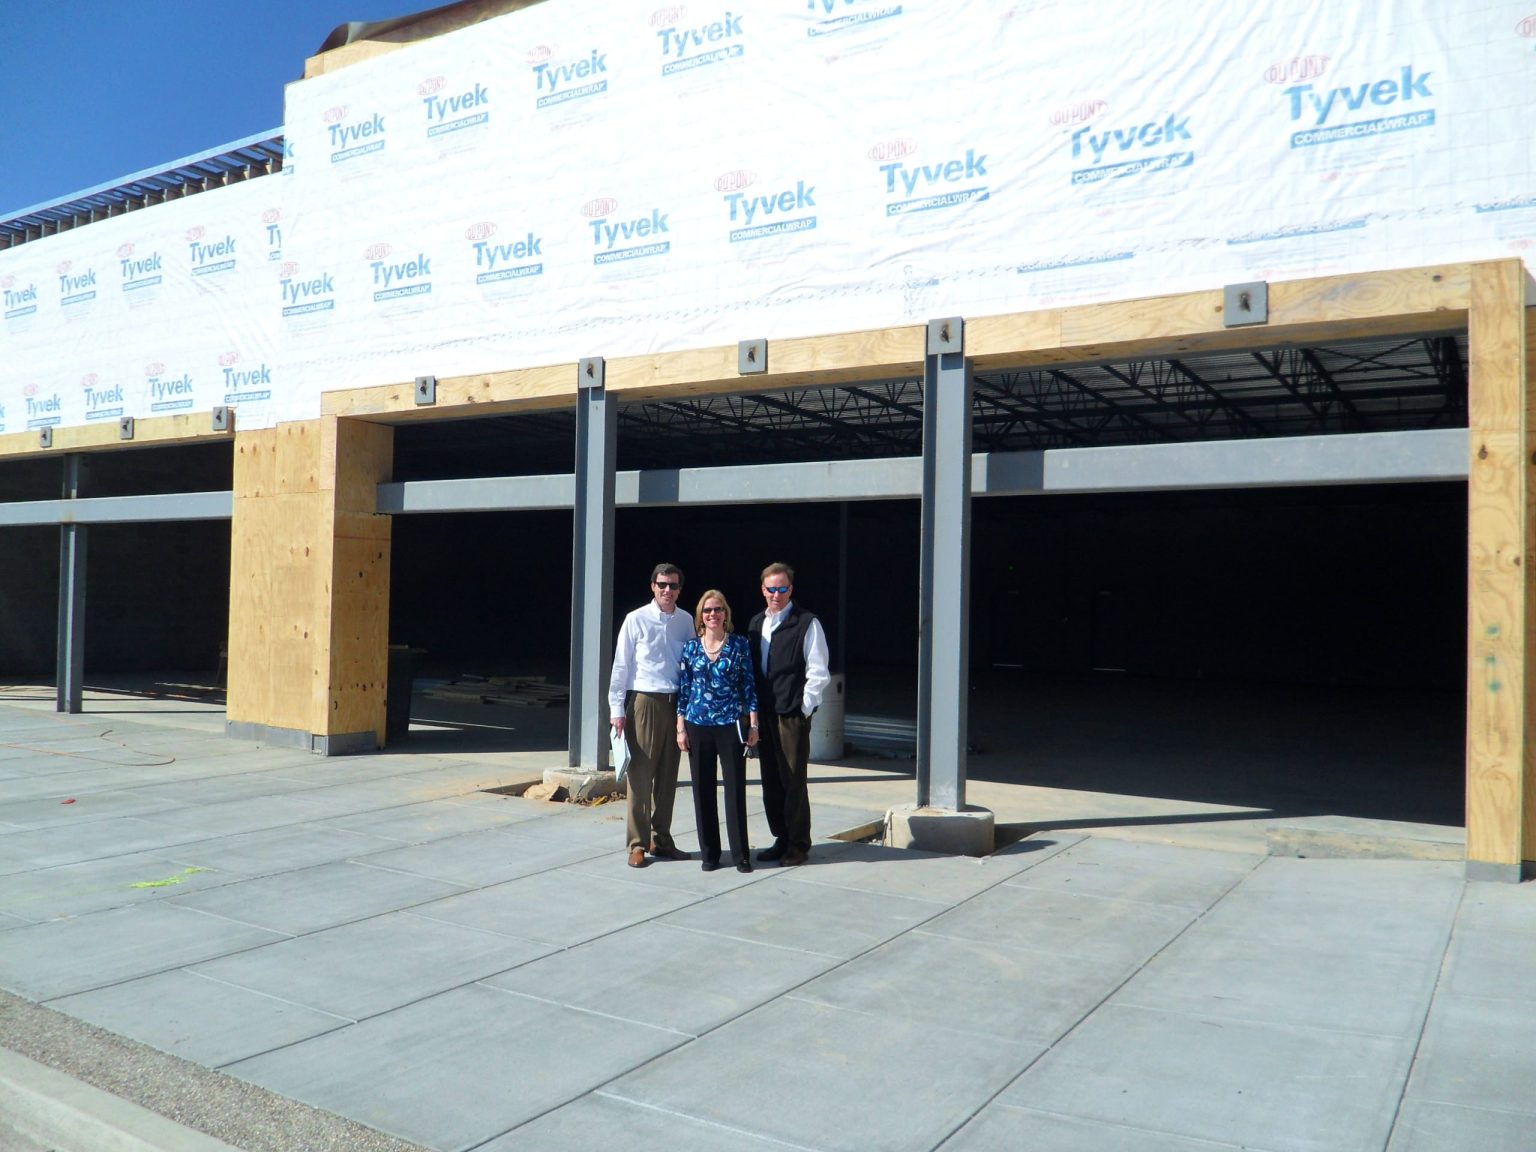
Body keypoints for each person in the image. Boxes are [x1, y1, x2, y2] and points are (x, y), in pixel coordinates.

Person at [609, 563, 695, 868]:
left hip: (675, 705)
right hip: (644, 702)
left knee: (668, 778)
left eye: (673, 586)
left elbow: (692, 663)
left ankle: (662, 839)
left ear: (679, 590)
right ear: (653, 587)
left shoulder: (686, 621)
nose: (667, 590)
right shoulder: (636, 619)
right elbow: (621, 665)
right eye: (662, 585)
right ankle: (637, 843)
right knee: (641, 777)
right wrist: (616, 709)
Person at [747, 562, 830, 867]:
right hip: (764, 714)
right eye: (771, 589)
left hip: (791, 714)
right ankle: (781, 838)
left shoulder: (807, 623)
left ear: (791, 589)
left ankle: (798, 844)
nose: (776, 594)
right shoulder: (756, 623)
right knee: (771, 780)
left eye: (782, 588)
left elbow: (818, 671)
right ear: (763, 590)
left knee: (793, 779)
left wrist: (804, 708)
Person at [676, 590, 759, 873]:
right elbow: (684, 689)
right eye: (708, 610)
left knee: (734, 789)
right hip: (697, 724)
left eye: (718, 609)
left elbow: (749, 686)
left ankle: (741, 855)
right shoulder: (690, 648)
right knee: (702, 790)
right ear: (701, 615)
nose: (713, 614)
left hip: (730, 724)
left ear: (726, 614)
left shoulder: (739, 645)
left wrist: (754, 724)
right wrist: (680, 728)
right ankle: (709, 854)